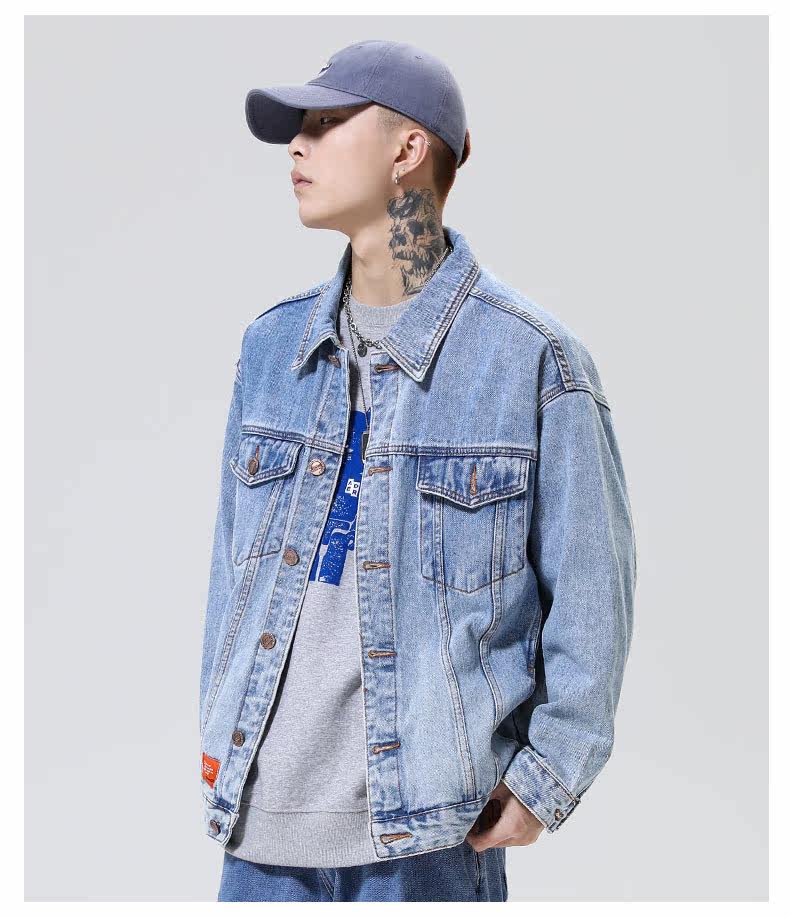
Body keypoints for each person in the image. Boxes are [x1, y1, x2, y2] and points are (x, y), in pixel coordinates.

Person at [199, 39, 637, 903]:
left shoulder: (532, 362)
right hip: (258, 832)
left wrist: (546, 776)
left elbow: (595, 595)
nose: (298, 146)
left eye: (326, 123)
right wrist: (217, 740)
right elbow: (229, 578)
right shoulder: (272, 347)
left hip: (428, 840)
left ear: (408, 149)